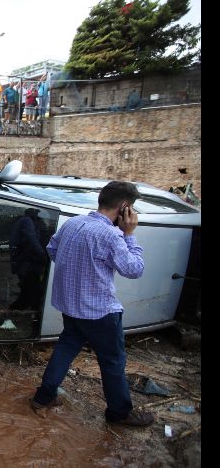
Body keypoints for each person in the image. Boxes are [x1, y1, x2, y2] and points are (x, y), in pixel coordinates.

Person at [30, 181, 154, 428]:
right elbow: (134, 269)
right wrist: (129, 235)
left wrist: (78, 269)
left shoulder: (73, 223)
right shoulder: (112, 235)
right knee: (112, 362)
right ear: (124, 208)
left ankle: (42, 398)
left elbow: (52, 249)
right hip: (100, 313)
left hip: (71, 307)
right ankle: (119, 413)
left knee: (66, 348)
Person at [9, 208, 48, 310]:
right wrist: (42, 253)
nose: (37, 215)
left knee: (30, 291)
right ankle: (9, 315)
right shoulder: (27, 221)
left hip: (25, 261)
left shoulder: (24, 221)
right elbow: (32, 238)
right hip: (26, 262)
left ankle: (32, 314)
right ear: (31, 213)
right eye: (35, 212)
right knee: (29, 292)